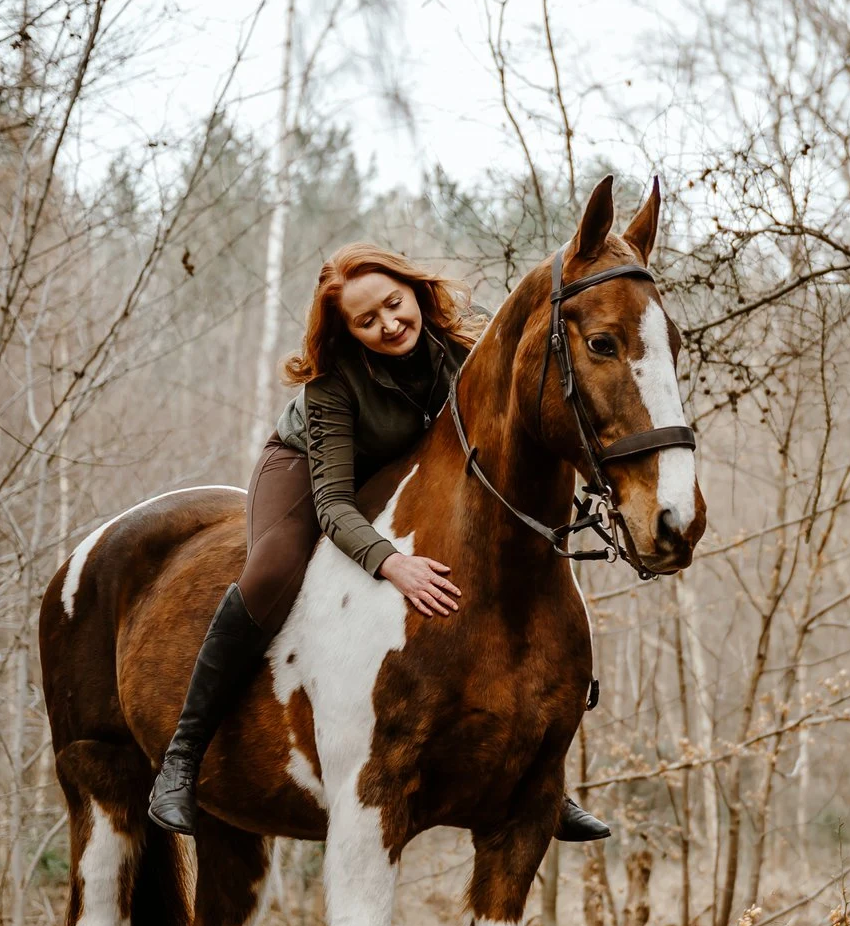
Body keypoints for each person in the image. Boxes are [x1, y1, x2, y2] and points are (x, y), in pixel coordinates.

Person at [145, 244, 611, 843]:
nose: (389, 324)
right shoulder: (333, 390)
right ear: (347, 332)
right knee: (271, 572)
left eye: (394, 304)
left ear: (416, 292)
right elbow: (335, 505)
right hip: (309, 473)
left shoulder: (463, 355)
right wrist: (394, 564)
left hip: (405, 469)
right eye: (367, 321)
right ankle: (182, 759)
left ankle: (542, 778)